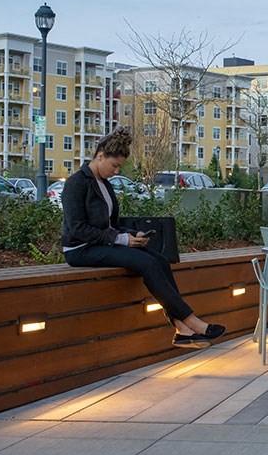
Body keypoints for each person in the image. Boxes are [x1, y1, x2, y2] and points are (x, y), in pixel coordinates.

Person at [61, 127, 224, 349]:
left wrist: (131, 235)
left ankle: (182, 329)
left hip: (102, 243)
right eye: (114, 165)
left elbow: (111, 224)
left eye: (119, 166)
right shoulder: (76, 183)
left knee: (161, 260)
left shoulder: (105, 185)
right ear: (100, 156)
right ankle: (191, 321)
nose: (116, 171)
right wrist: (122, 240)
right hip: (80, 249)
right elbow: (78, 228)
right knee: (147, 263)